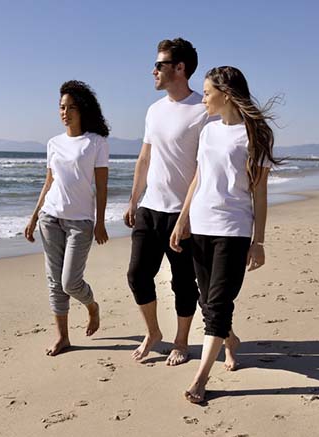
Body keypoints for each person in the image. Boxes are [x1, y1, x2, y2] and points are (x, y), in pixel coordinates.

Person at [169, 66, 280, 403]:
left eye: (206, 92)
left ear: (226, 94)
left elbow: (259, 194)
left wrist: (257, 242)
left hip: (233, 229)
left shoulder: (256, 134)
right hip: (201, 225)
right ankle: (229, 341)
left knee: (217, 303)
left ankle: (200, 380)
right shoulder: (208, 131)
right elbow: (199, 179)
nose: (202, 98)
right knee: (207, 300)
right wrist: (181, 219)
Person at [124, 38, 211, 366]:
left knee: (182, 282)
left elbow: (205, 167)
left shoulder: (203, 110)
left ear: (180, 68)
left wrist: (187, 215)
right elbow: (145, 156)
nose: (153, 71)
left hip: (183, 212)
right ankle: (153, 332)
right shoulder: (154, 110)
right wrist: (134, 200)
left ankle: (182, 340)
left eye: (159, 65)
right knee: (137, 275)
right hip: (151, 207)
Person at [25, 80, 110, 356]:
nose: (65, 112)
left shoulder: (96, 143)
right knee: (54, 282)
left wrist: (100, 221)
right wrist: (34, 216)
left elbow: (101, 186)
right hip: (50, 218)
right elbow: (48, 182)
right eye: (62, 107)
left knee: (70, 282)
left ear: (82, 109)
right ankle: (63, 337)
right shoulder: (53, 143)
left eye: (71, 107)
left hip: (80, 222)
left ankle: (92, 306)